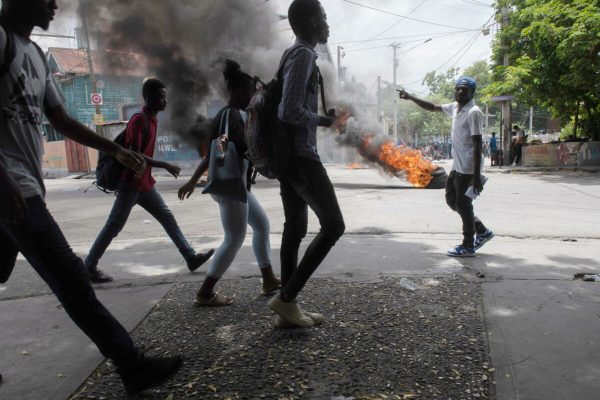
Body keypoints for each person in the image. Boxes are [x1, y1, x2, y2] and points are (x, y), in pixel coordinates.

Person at [0, 0, 181, 394]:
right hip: (12, 191)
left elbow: (61, 120)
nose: (53, 5)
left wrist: (114, 150)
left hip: (19, 189)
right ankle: (131, 364)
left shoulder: (32, 54)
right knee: (72, 279)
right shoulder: (3, 44)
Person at [84, 78, 214, 283]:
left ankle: (190, 257)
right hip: (130, 184)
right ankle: (88, 267)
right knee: (113, 227)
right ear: (148, 98)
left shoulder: (152, 120)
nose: (165, 100)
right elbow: (134, 154)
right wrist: (165, 165)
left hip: (145, 185)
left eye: (165, 96)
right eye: (160, 97)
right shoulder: (139, 120)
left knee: (168, 219)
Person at [267, 0, 346, 328]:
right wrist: (325, 123)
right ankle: (286, 299)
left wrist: (321, 118)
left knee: (296, 228)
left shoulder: (294, 54)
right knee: (333, 225)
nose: (327, 24)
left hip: (290, 157)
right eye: (324, 17)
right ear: (312, 21)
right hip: (300, 157)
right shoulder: (302, 55)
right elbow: (289, 111)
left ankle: (289, 306)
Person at [178, 60, 280, 306]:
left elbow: (216, 152)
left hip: (234, 185)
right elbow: (232, 150)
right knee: (234, 238)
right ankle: (205, 293)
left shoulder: (223, 116)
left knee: (262, 226)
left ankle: (268, 279)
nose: (252, 99)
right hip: (231, 187)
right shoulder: (233, 116)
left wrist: (193, 181)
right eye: (251, 94)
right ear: (241, 92)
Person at [398, 76, 494, 257]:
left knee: (463, 204)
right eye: (458, 88)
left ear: (472, 92)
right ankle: (482, 231)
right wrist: (411, 97)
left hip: (468, 167)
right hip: (457, 166)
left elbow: (478, 144)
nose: (459, 91)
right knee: (451, 199)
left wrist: (476, 175)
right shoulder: (456, 108)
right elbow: (432, 107)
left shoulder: (473, 112)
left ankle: (468, 244)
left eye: (464, 89)